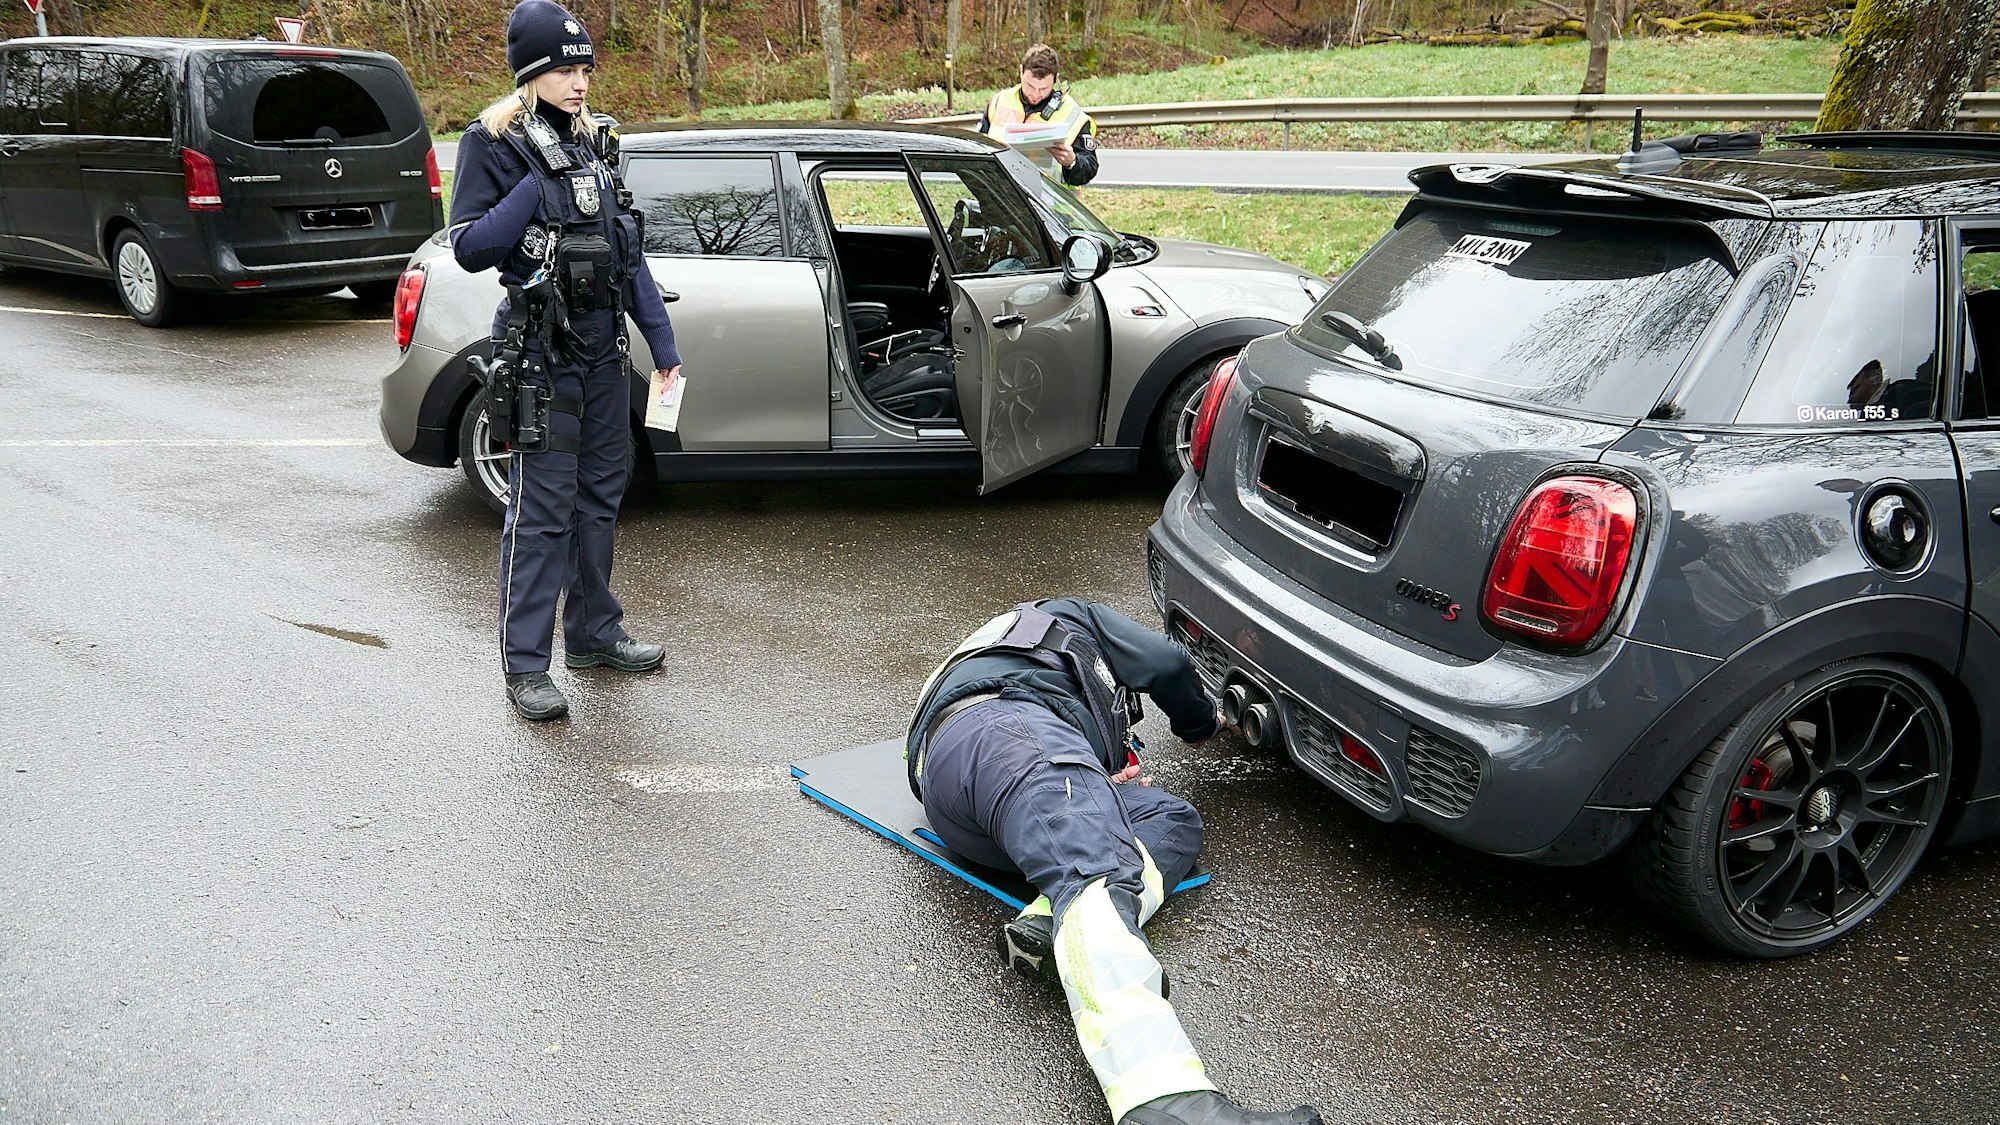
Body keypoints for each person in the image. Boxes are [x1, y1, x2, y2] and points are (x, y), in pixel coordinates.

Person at [905, 599, 1323, 1125]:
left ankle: (1046, 922)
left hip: (971, 801)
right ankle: (1164, 1098)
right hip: (1005, 736)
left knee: (1172, 820)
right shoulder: (1071, 615)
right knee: (1096, 873)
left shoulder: (1004, 648)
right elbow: (1167, 663)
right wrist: (1201, 725)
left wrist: (1094, 786)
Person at [448, 0, 684, 721]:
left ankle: (592, 633)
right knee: (542, 512)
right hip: (538, 354)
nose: (581, 82)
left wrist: (664, 348)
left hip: (602, 352)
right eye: (565, 69)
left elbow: (627, 255)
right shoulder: (493, 143)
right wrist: (535, 189)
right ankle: (526, 667)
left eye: (586, 69)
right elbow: (469, 246)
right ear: (532, 72)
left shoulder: (593, 144)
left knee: (601, 497)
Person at [977, 43, 1100, 187]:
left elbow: (1089, 167)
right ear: (1021, 72)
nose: (1035, 94)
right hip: (1001, 198)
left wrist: (1072, 162)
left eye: (1043, 89)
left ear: (1056, 79)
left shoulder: (1072, 113)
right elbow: (978, 148)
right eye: (1030, 86)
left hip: (1048, 206)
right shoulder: (999, 101)